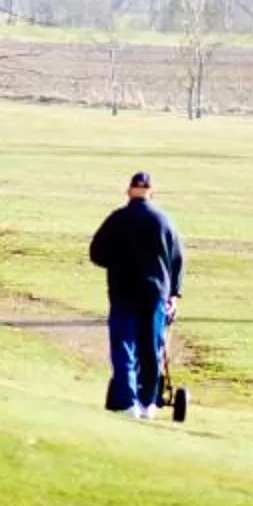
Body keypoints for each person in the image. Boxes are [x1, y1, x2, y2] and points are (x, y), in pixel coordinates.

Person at [88, 170, 184, 416]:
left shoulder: (117, 219)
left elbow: (97, 254)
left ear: (130, 191)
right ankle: (148, 402)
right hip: (154, 295)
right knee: (151, 348)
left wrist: (117, 263)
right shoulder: (165, 221)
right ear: (152, 192)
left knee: (124, 347)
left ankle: (127, 401)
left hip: (123, 291)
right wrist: (174, 293)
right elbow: (177, 261)